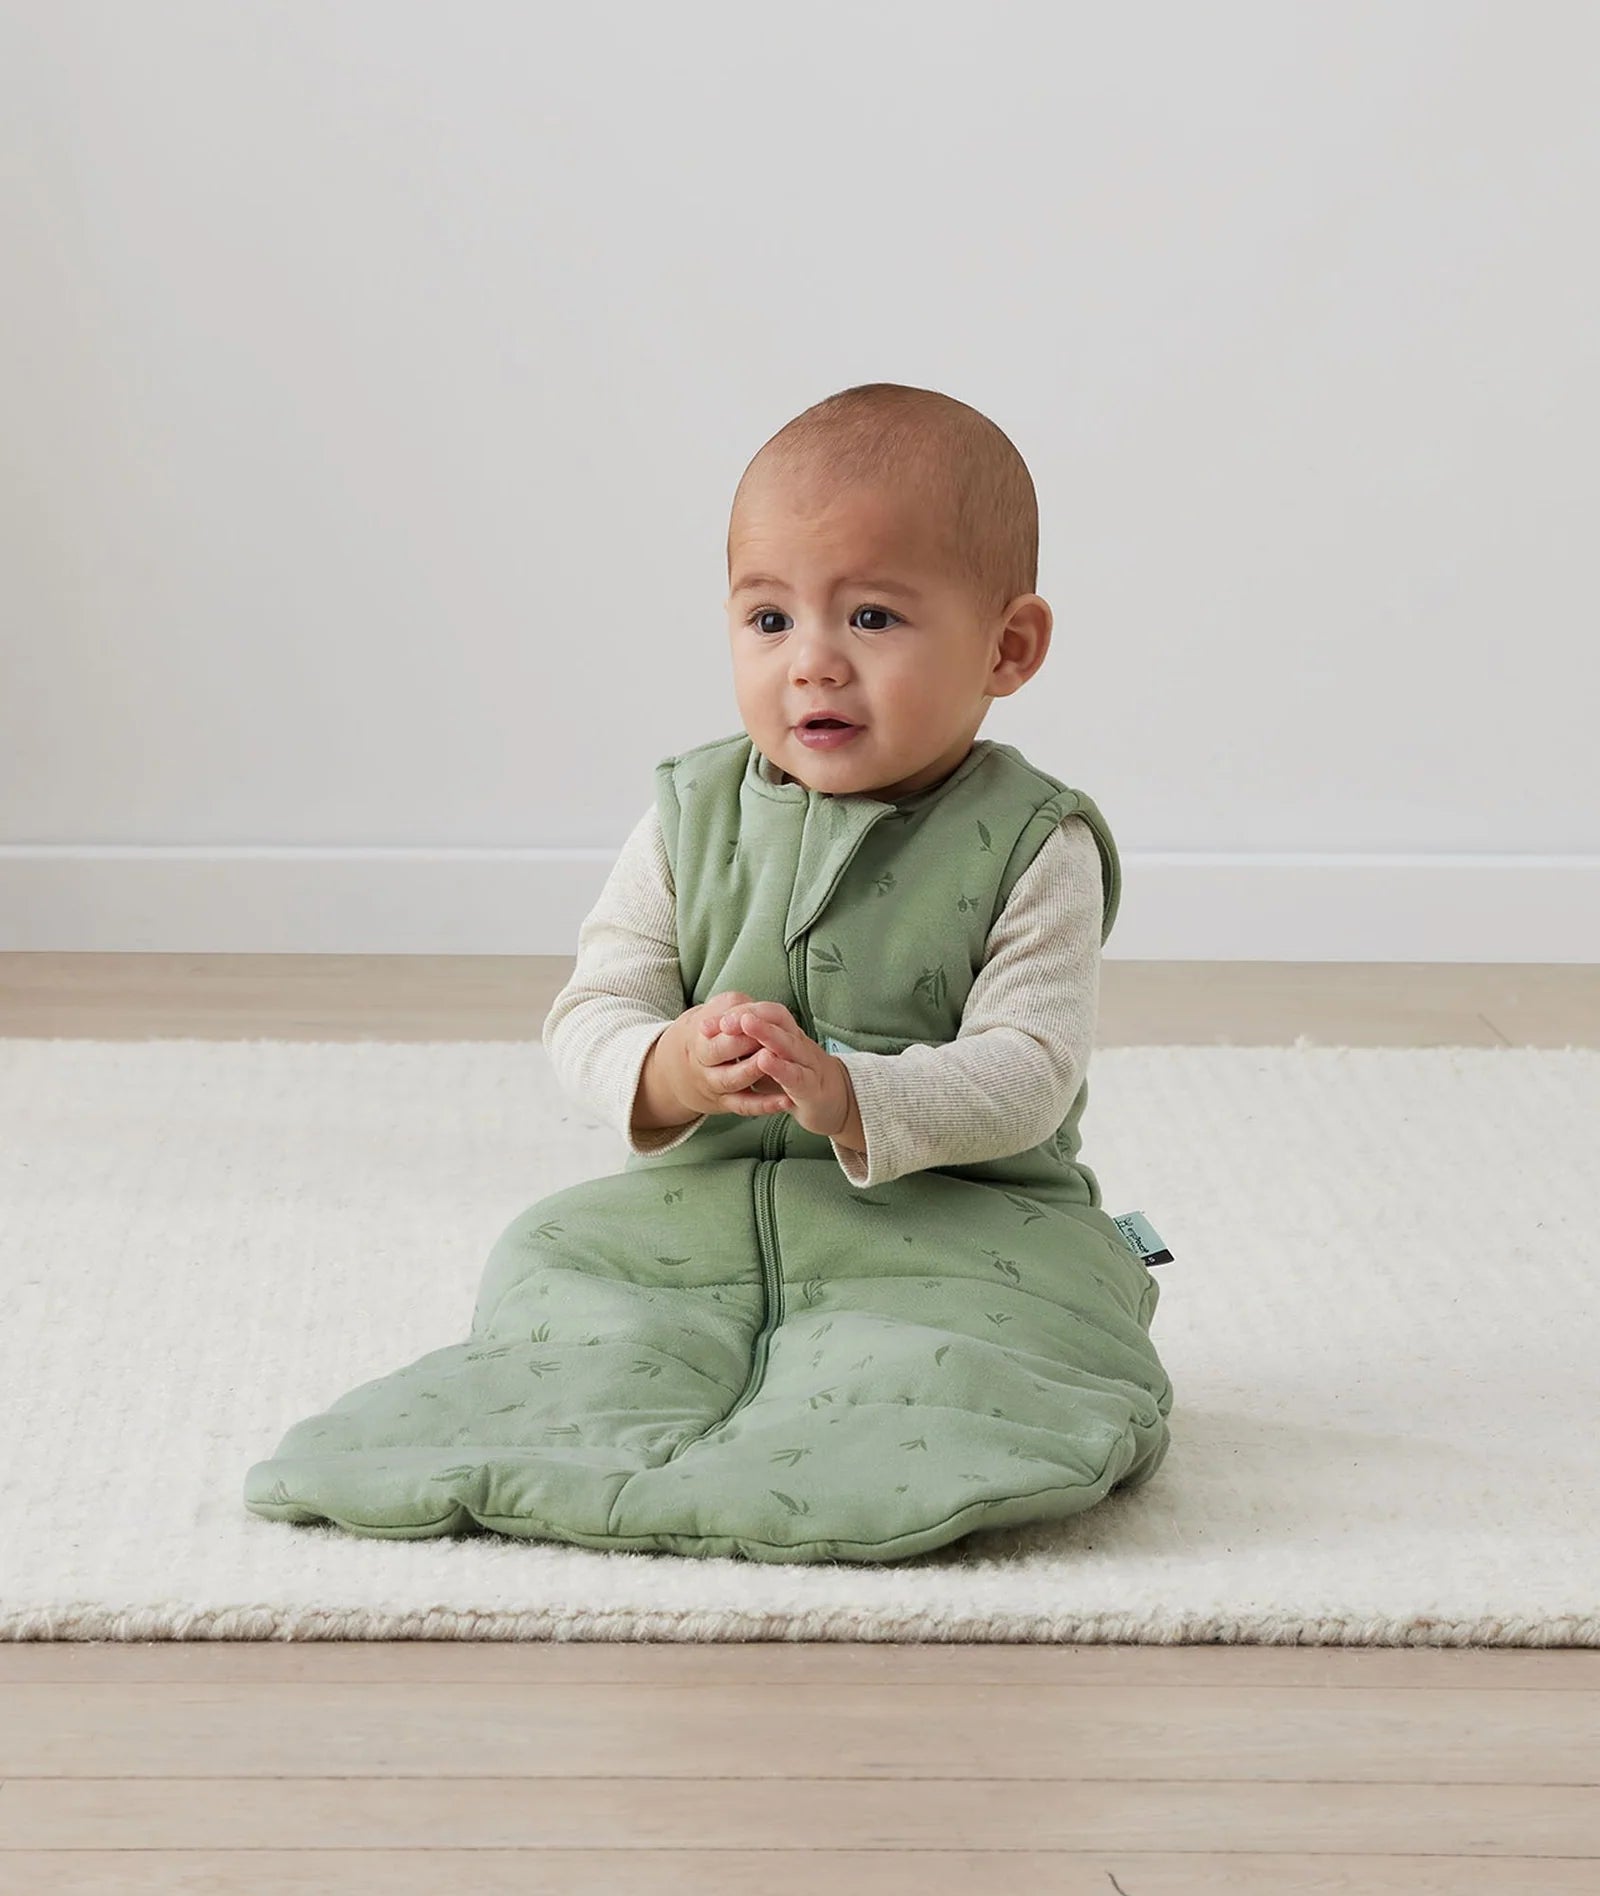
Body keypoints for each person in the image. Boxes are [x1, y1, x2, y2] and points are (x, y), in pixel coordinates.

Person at [244, 382, 1172, 1563]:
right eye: (769, 619)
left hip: (961, 1223)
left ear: (1008, 646)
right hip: (693, 1215)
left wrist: (851, 1093)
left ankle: (874, 1434)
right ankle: (597, 1406)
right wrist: (671, 1068)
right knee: (551, 1255)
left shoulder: (1035, 843)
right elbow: (595, 1008)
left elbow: (1028, 1070)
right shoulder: (690, 817)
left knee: (988, 1328)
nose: (812, 664)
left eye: (872, 617)